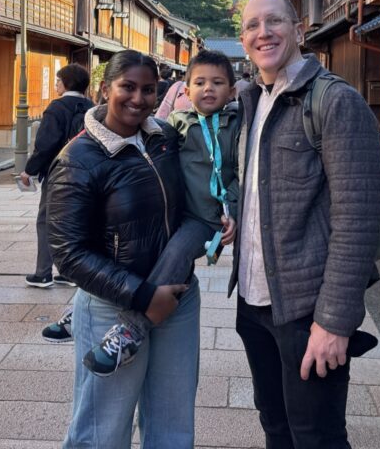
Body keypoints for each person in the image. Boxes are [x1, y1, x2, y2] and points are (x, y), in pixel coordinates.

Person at [232, 0, 380, 449]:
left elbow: (358, 220)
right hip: (253, 301)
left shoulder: (335, 102)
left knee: (316, 436)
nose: (264, 33)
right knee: (276, 427)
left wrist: (334, 322)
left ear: (299, 31)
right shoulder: (250, 99)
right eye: (253, 26)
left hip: (306, 310)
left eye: (275, 21)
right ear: (242, 41)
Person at [46, 50, 199, 448]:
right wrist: (144, 294)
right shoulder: (79, 158)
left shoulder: (165, 138)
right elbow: (67, 253)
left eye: (148, 90)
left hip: (179, 299)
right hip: (112, 307)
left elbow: (197, 198)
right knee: (102, 429)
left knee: (173, 421)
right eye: (127, 87)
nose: (138, 99)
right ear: (104, 89)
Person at [82, 49, 239, 375]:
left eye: (218, 83)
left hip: (205, 218)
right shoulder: (174, 126)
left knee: (177, 253)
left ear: (233, 91)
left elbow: (244, 173)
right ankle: (82, 312)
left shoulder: (237, 126)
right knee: (149, 250)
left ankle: (131, 329)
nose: (208, 88)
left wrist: (233, 210)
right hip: (175, 211)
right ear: (185, 90)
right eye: (200, 82)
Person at [20, 63, 93, 289]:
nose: (56, 84)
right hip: (86, 174)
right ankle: (71, 272)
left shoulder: (57, 108)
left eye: (58, 80)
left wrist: (29, 170)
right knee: (74, 223)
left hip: (58, 173)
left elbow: (45, 144)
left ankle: (43, 273)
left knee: (46, 221)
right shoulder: (92, 107)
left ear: (67, 83)